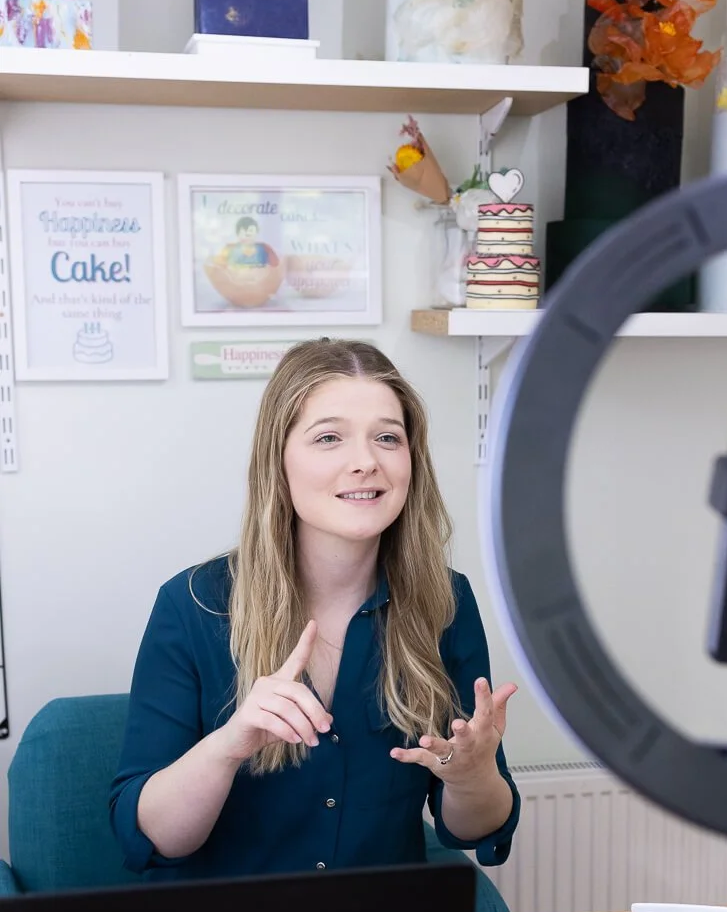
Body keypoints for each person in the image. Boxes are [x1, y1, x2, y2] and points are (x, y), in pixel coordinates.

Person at [110, 337, 521, 881]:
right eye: (329, 438)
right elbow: (151, 838)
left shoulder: (446, 602)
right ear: (277, 460)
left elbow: (475, 829)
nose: (365, 462)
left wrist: (470, 777)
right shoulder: (193, 606)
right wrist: (229, 745)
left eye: (387, 438)